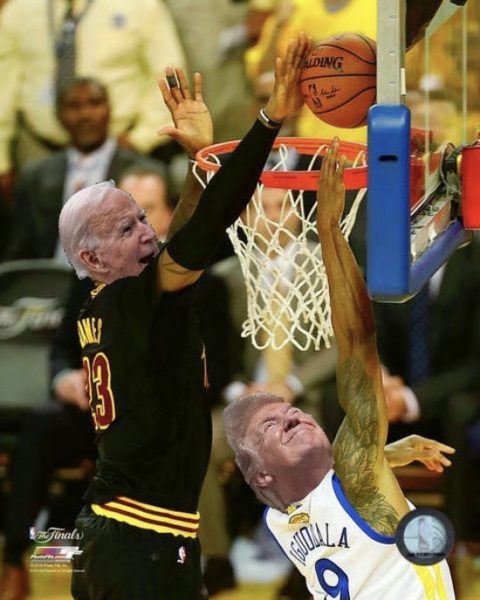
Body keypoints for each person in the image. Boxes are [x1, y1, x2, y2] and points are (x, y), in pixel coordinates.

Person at [57, 34, 314, 599]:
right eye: (125, 228)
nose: (145, 231)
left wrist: (202, 163)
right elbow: (208, 225)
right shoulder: (133, 295)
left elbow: (182, 237)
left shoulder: (107, 300)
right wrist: (268, 120)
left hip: (127, 530)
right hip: (138, 539)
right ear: (93, 258)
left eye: (141, 217)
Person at [223, 139, 456, 598]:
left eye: (287, 410)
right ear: (261, 475)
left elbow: (328, 482)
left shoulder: (281, 518)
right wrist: (330, 232)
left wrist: (384, 456)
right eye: (270, 425)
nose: (291, 415)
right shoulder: (358, 474)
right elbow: (359, 342)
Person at [0, 165, 177, 600]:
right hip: (90, 412)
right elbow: (62, 347)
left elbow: (208, 368)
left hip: (155, 420)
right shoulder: (88, 272)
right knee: (40, 426)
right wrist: (65, 379)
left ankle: (136, 562)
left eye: (145, 212)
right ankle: (16, 558)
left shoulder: (187, 279)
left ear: (168, 216)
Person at [0, 0, 186, 202]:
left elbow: (168, 76)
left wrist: (139, 139)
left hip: (122, 153)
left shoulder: (141, 5)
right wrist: (2, 160)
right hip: (41, 150)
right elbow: (4, 85)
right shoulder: (19, 10)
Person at [2, 76, 158, 262]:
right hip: (50, 275)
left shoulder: (144, 173)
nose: (85, 114)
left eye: (95, 103)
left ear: (109, 110)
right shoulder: (35, 176)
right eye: (74, 106)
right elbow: (19, 250)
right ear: (59, 115)